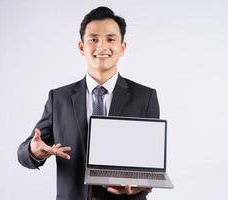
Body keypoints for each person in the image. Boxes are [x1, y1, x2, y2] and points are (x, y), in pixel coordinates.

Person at [17, 6, 160, 200]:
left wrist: (141, 186)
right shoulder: (58, 98)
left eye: (110, 39)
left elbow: (150, 167)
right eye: (93, 39)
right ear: (81, 47)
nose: (102, 47)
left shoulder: (145, 97)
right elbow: (25, 154)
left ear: (122, 47)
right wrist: (34, 151)